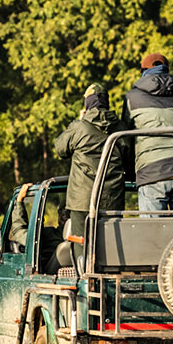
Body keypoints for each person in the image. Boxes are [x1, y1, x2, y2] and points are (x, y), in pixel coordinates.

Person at [55, 83, 129, 240]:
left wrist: (80, 120)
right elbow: (129, 160)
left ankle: (83, 265)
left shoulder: (79, 127)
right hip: (112, 199)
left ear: (87, 103)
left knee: (81, 244)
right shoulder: (121, 128)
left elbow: (60, 148)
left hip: (81, 201)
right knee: (111, 245)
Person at [122, 52, 173, 212]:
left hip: (151, 172)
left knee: (152, 235)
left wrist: (130, 173)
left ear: (143, 71)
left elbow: (125, 139)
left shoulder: (132, 98)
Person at [11, 183, 70, 274]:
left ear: (61, 217)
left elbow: (20, 233)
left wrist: (19, 201)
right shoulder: (93, 239)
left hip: (49, 281)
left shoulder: (48, 235)